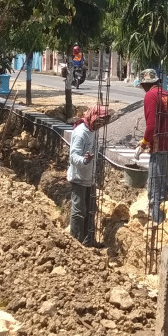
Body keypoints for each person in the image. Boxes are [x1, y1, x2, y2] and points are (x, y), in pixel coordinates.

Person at [135, 69, 168, 224]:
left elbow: (151, 126)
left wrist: (143, 144)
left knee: (155, 191)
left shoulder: (151, 95)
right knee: (162, 187)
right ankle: (163, 222)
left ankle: (156, 225)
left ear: (146, 84)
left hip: (160, 149)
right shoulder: (167, 95)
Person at [67, 105, 111, 245]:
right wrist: (84, 160)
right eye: (99, 121)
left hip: (89, 177)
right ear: (92, 117)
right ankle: (75, 242)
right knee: (79, 211)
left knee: (91, 210)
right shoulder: (81, 133)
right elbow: (73, 156)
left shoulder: (93, 130)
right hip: (79, 177)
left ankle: (89, 240)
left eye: (103, 122)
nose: (100, 125)